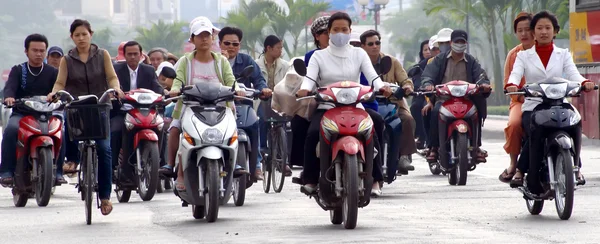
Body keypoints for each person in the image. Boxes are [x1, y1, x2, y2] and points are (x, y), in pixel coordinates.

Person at [295, 12, 394, 196]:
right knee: (313, 133)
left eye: (344, 29)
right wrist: (305, 89)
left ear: (350, 31)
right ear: (329, 32)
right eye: (336, 29)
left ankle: (376, 178)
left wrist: (382, 86)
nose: (340, 33)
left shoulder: (359, 54)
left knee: (377, 123)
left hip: (356, 107)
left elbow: (373, 77)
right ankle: (310, 178)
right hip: (328, 107)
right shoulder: (318, 56)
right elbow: (309, 79)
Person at [506, 11, 593, 191]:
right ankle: (522, 171)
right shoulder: (523, 56)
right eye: (539, 28)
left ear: (555, 31)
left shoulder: (563, 54)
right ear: (533, 32)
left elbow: (573, 74)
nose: (543, 32)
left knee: (574, 123)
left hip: (560, 102)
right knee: (534, 129)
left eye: (548, 28)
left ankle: (576, 168)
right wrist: (512, 84)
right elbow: (515, 74)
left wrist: (584, 82)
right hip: (534, 105)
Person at [47, 19, 123, 215]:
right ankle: (72, 161)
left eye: (84, 34)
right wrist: (54, 93)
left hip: (100, 107)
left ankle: (105, 196)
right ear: (72, 37)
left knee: (104, 149)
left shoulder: (103, 55)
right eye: (77, 35)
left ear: (91, 34)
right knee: (66, 130)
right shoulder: (66, 59)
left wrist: (115, 88)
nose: (81, 38)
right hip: (77, 108)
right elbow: (60, 82)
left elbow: (112, 76)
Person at [158, 17, 243, 191]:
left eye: (207, 35)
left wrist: (238, 90)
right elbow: (178, 80)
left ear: (213, 38)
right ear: (192, 39)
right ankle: (173, 168)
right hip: (190, 107)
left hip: (220, 107)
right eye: (199, 35)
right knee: (175, 129)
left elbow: (231, 81)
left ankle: (234, 163)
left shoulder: (221, 61)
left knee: (234, 131)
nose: (204, 39)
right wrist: (174, 90)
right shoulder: (185, 61)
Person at [421, 29, 491, 167]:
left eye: (462, 42)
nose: (459, 44)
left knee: (477, 111)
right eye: (456, 42)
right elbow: (428, 76)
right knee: (435, 112)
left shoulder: (471, 61)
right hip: (444, 99)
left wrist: (484, 85)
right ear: (451, 43)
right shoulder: (439, 60)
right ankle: (434, 147)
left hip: (466, 100)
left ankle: (476, 146)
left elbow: (481, 76)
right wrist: (428, 85)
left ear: (466, 44)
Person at [0, 34, 63, 186]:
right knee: (11, 130)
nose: (38, 54)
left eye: (42, 50)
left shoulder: (53, 72)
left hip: (46, 114)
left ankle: (58, 171)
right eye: (34, 50)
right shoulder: (18, 70)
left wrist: (58, 96)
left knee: (62, 130)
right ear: (26, 51)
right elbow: (10, 88)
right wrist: (9, 97)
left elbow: (59, 89)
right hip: (22, 114)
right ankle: (6, 171)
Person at [218, 26, 272, 181]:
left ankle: (256, 166)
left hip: (242, 106)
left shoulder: (247, 60)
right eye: (227, 43)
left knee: (255, 124)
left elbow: (258, 80)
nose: (231, 47)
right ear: (220, 43)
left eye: (235, 44)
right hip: (218, 108)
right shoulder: (214, 60)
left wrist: (264, 89)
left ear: (239, 45)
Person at [359, 29, 417, 174]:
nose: (375, 46)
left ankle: (404, 156)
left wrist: (407, 87)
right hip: (366, 104)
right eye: (370, 43)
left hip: (392, 102)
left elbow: (405, 80)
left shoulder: (391, 61)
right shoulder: (358, 63)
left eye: (377, 43)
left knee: (408, 119)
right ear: (363, 46)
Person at [111, 41, 165, 186]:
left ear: (141, 55)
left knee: (161, 127)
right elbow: (111, 87)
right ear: (125, 55)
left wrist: (163, 94)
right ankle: (113, 168)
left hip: (145, 111)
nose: (133, 57)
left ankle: (161, 164)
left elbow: (157, 87)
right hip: (122, 111)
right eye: (130, 54)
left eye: (136, 54)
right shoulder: (116, 69)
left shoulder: (148, 70)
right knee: (115, 131)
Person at [498, 12, 534, 183]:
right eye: (520, 30)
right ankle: (514, 164)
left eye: (528, 29)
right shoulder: (515, 55)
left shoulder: (551, 51)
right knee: (514, 124)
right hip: (521, 101)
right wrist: (518, 94)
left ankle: (575, 168)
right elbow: (508, 83)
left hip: (548, 100)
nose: (524, 34)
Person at [255, 35, 292, 175]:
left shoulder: (286, 66)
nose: (281, 51)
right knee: (262, 121)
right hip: (262, 100)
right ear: (268, 48)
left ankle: (283, 161)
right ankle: (262, 151)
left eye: (281, 48)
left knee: (282, 125)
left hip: (279, 100)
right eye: (278, 48)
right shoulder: (255, 64)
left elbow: (290, 83)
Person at [410, 39, 433, 149]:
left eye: (430, 49)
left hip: (435, 93)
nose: (428, 51)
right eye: (425, 50)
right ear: (421, 52)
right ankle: (421, 136)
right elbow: (415, 78)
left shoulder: (438, 62)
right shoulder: (420, 66)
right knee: (415, 106)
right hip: (422, 93)